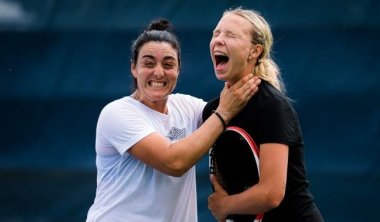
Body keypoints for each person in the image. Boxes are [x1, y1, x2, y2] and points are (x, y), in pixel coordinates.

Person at [86, 18, 260, 222]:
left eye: (168, 64)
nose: (158, 72)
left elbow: (237, 110)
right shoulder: (116, 113)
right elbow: (174, 162)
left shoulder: (188, 107)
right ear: (133, 68)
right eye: (148, 63)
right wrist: (223, 113)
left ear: (178, 70)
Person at [203, 7, 324, 222]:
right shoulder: (211, 112)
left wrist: (224, 206)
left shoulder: (271, 106)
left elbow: (271, 193)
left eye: (230, 35)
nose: (219, 40)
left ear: (255, 51)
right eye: (216, 33)